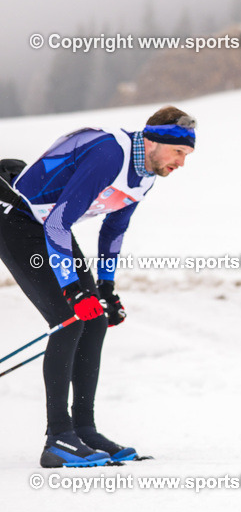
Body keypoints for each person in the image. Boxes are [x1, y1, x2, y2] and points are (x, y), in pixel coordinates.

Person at [0, 106, 196, 467]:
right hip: (19, 223)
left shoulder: (149, 172)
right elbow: (58, 222)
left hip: (48, 228)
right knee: (69, 318)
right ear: (153, 141)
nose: (182, 163)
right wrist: (74, 291)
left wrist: (106, 289)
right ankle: (58, 438)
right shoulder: (111, 153)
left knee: (95, 319)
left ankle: (83, 430)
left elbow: (113, 231)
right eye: (179, 153)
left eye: (187, 155)